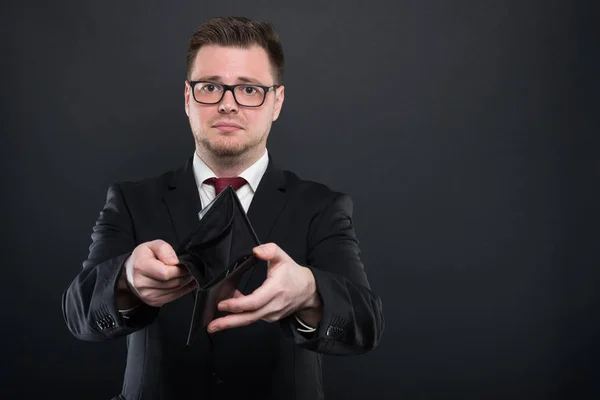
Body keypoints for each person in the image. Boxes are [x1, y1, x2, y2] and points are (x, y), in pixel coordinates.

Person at [62, 16, 384, 400]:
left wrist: (309, 292)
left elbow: (365, 323)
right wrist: (126, 280)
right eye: (211, 87)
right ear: (187, 97)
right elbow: (79, 314)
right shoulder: (132, 200)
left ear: (276, 101)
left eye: (249, 89)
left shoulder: (322, 206)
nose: (228, 104)